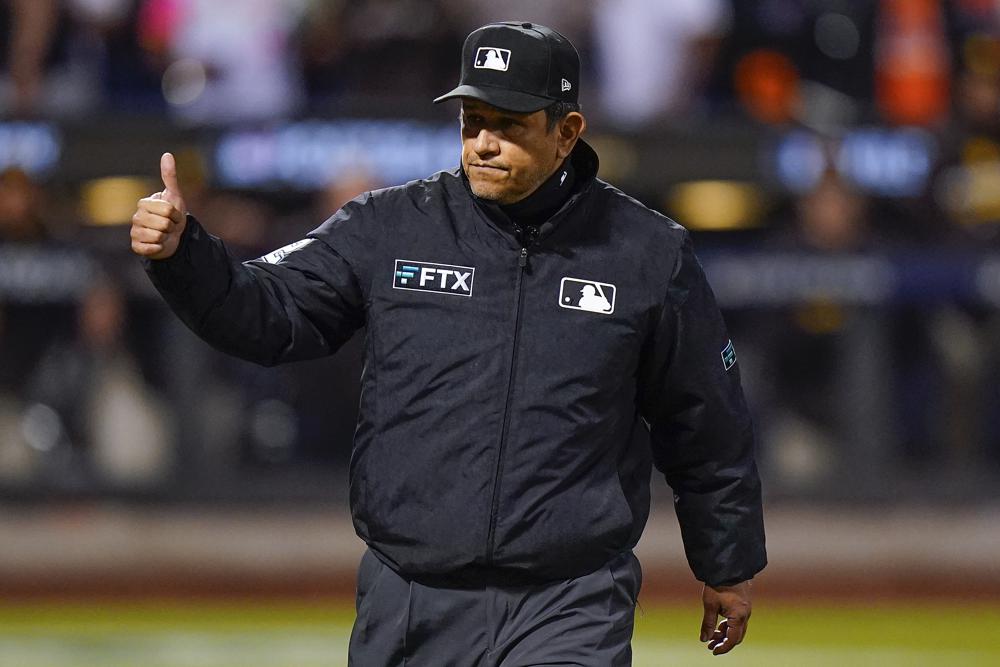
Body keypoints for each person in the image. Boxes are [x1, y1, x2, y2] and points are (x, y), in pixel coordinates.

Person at [130, 21, 766, 665]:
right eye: (471, 121)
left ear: (566, 132)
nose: (483, 144)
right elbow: (269, 313)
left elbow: (706, 421)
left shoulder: (647, 252)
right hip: (410, 600)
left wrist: (727, 562)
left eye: (509, 124)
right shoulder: (389, 227)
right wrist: (186, 254)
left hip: (570, 601)